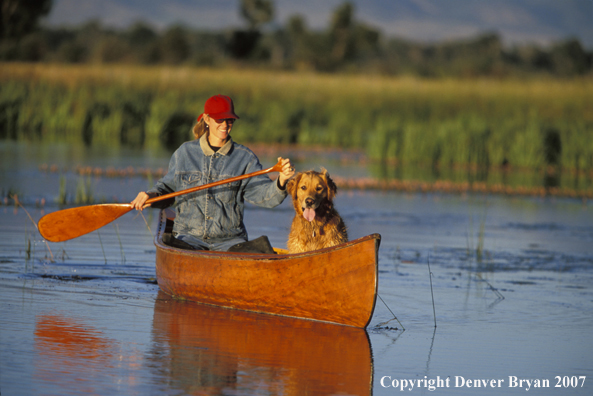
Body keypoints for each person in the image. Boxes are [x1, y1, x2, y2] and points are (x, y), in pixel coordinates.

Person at [131, 94, 295, 251]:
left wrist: (282, 181)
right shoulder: (184, 153)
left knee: (261, 252)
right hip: (187, 239)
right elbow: (166, 190)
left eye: (229, 119)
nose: (225, 124)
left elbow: (264, 197)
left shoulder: (245, 157)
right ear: (207, 119)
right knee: (174, 244)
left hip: (230, 242)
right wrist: (150, 196)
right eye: (219, 119)